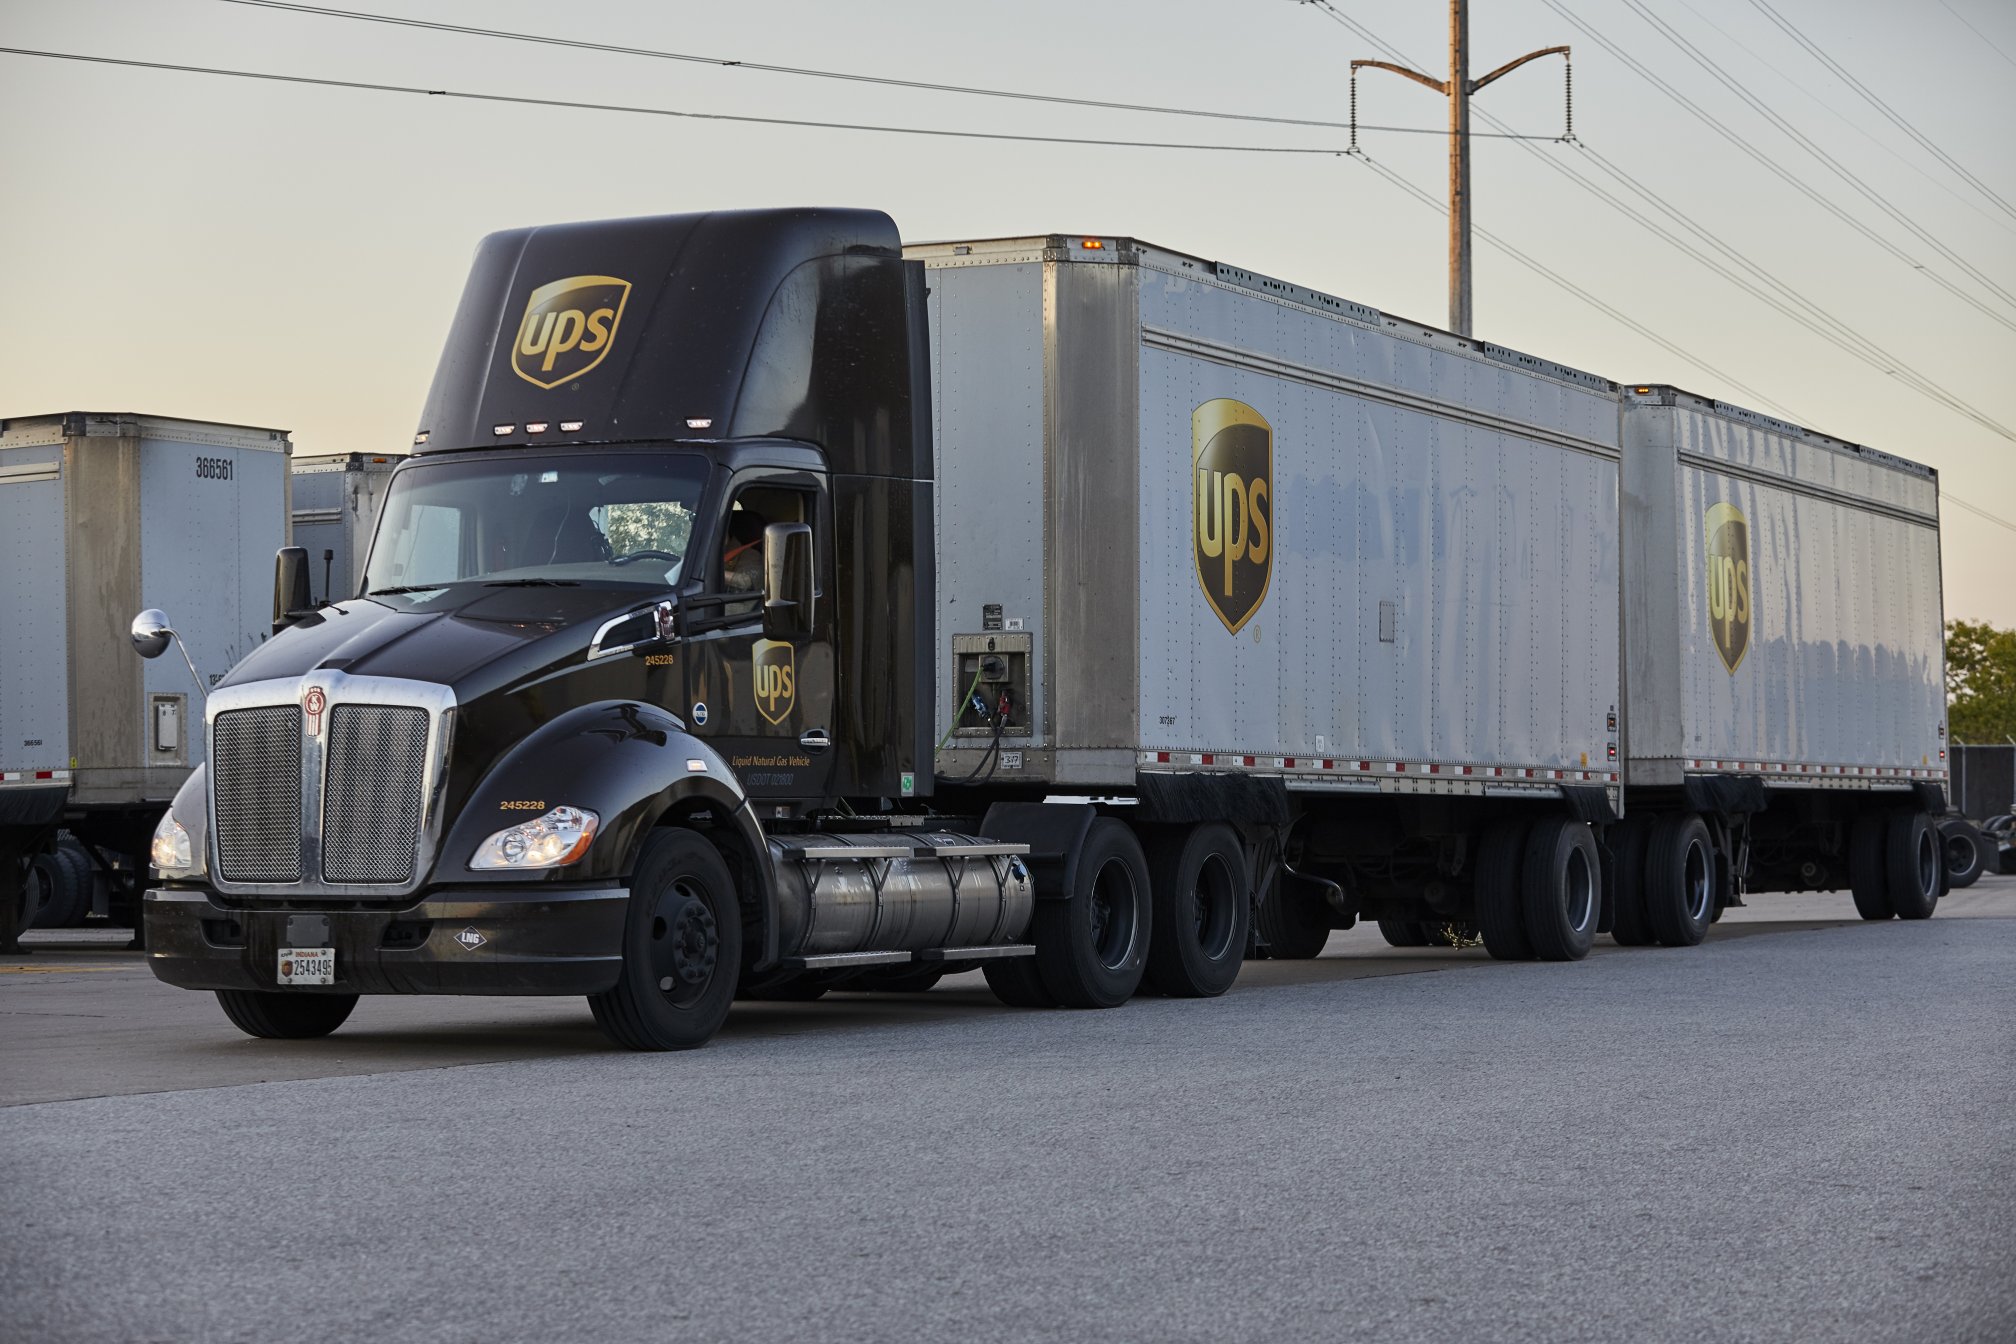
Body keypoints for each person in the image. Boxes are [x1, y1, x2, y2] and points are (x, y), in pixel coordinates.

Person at [722, 509, 765, 614]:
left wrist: (712, 573)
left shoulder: (750, 554)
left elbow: (746, 581)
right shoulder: (710, 554)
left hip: (740, 613)